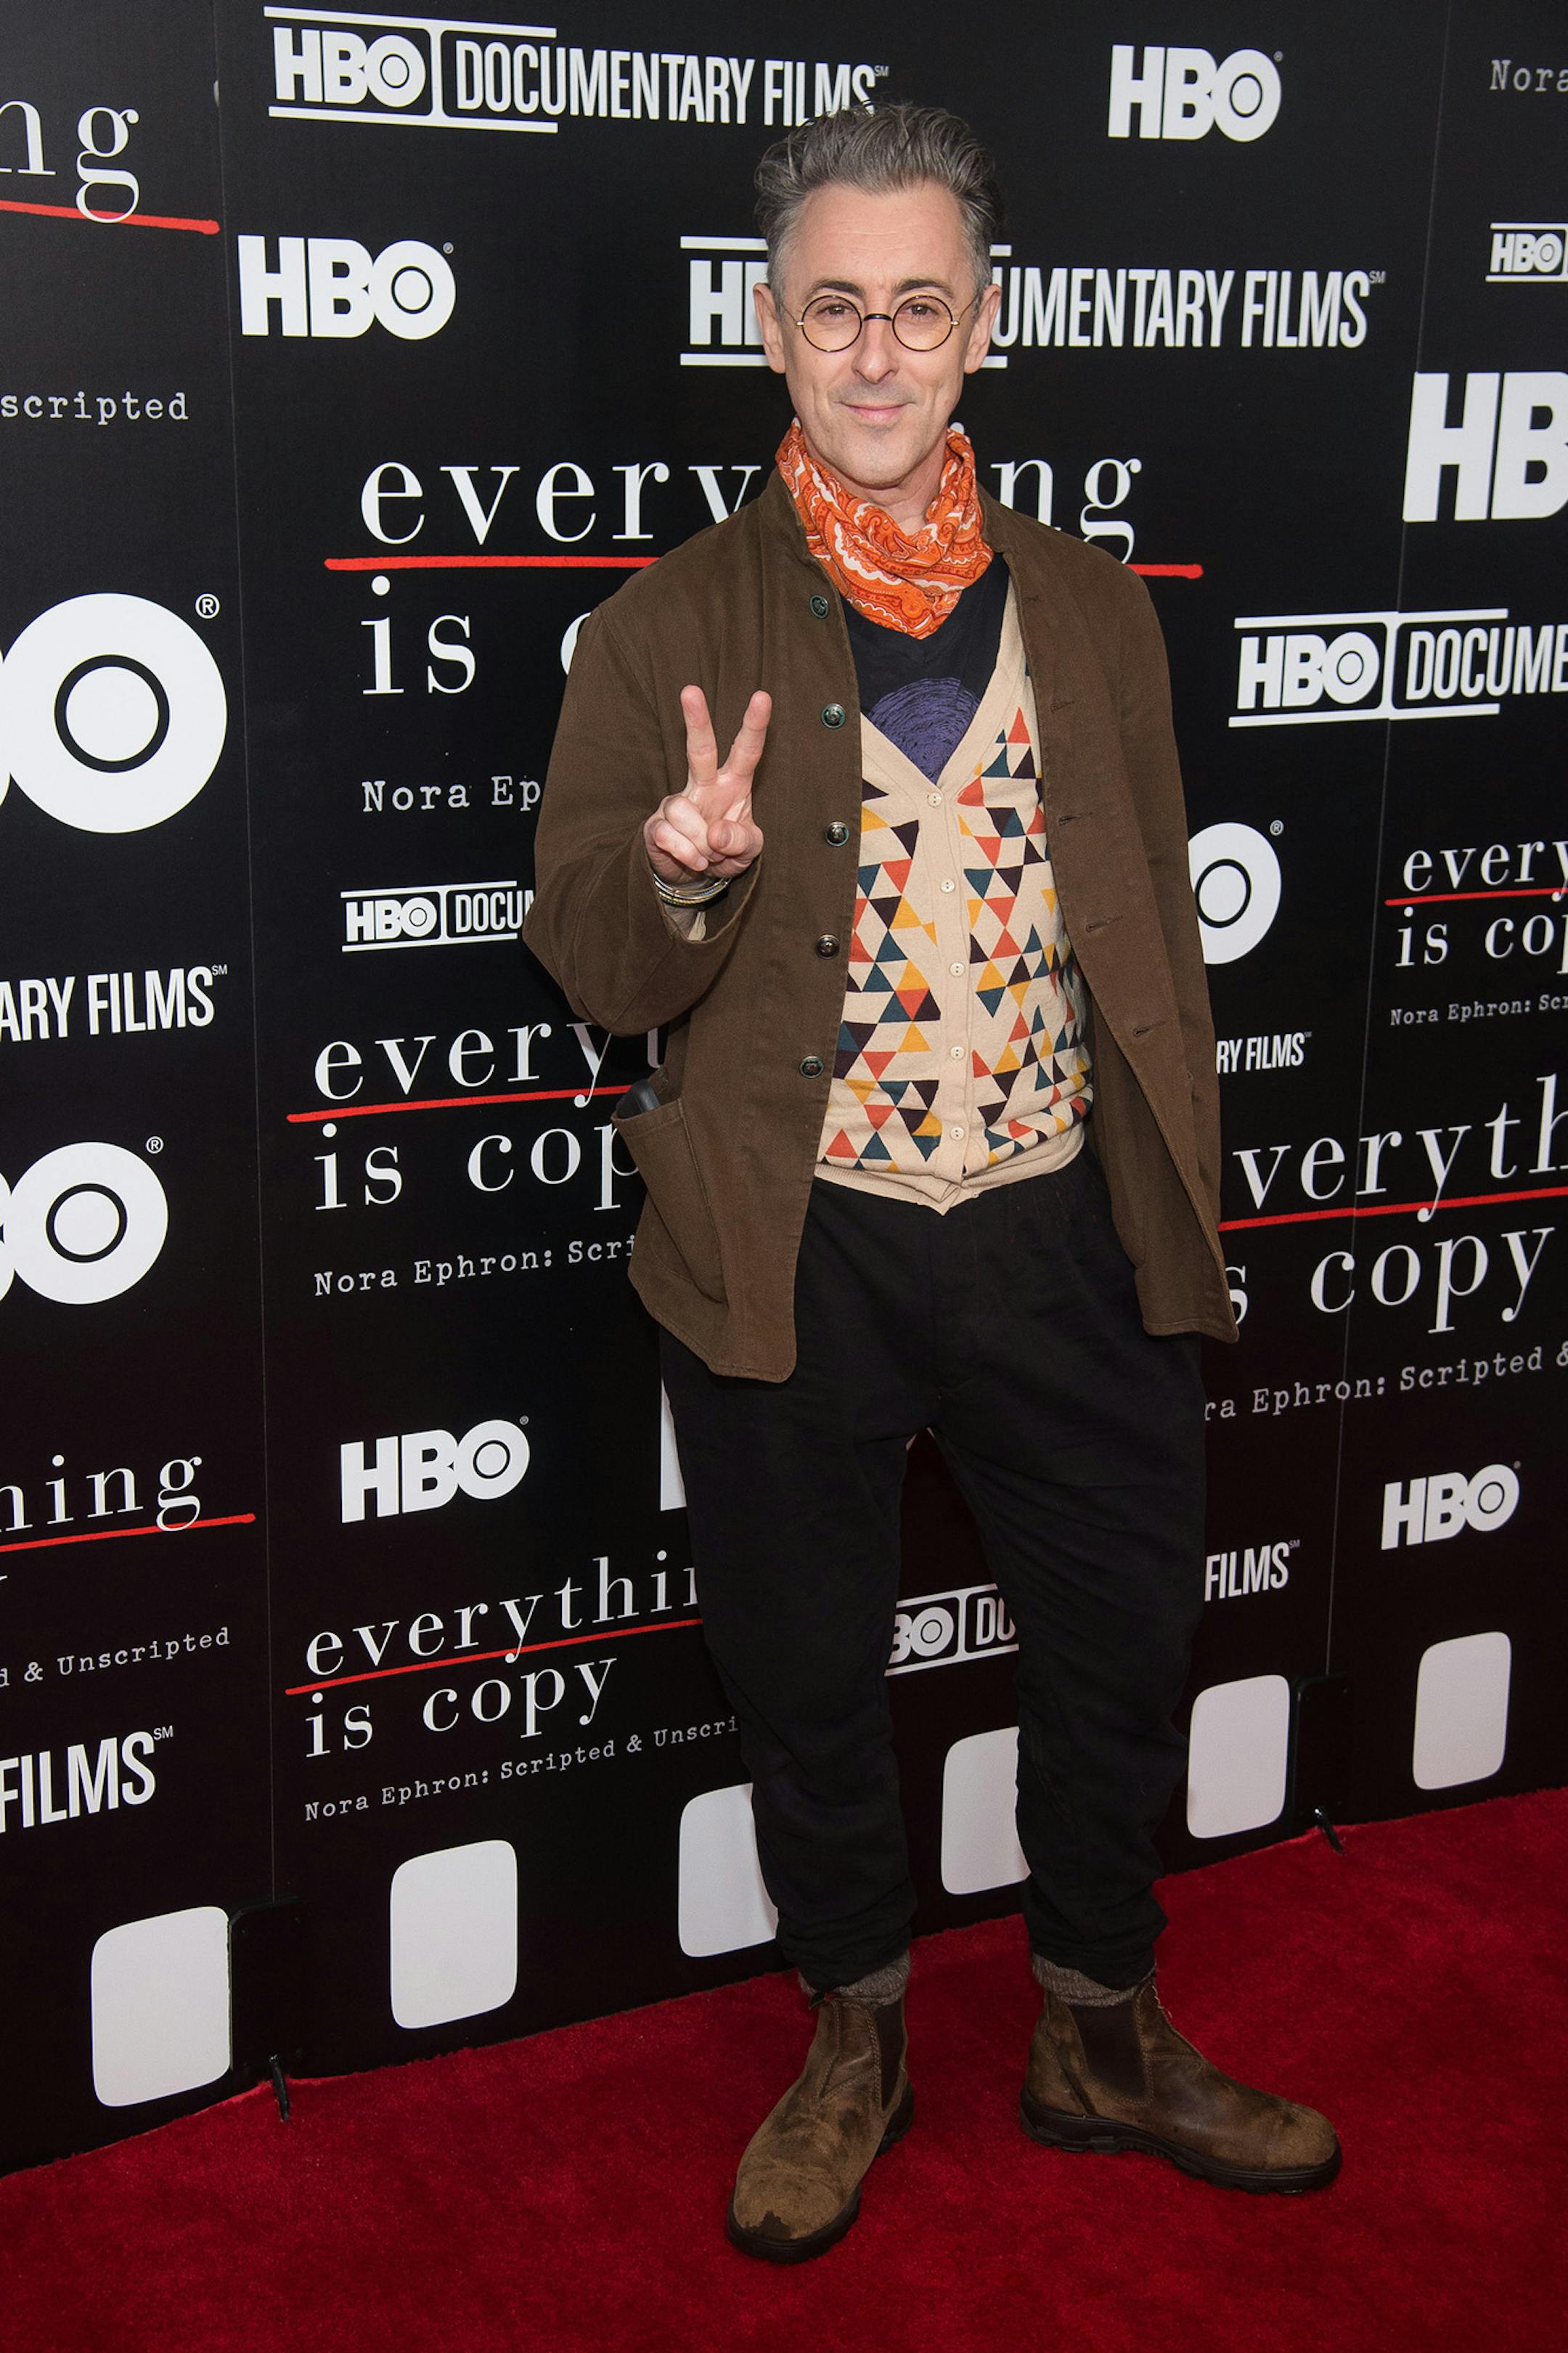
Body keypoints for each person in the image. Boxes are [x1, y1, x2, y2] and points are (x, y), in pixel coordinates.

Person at [524, 103, 1339, 2263]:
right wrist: (680, 874)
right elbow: (592, 950)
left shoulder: (1094, 609)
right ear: (769, 330)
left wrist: (1178, 1196)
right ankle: (856, 2030)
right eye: (830, 309)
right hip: (799, 1243)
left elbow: (1152, 925)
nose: (875, 355)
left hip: (1064, 1219)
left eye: (916, 308)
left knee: (1113, 1642)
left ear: (980, 326)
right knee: (808, 1667)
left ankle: (1096, 2022)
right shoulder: (662, 622)